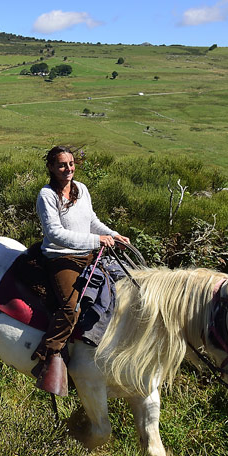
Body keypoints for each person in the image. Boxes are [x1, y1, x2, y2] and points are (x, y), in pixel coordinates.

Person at [32, 145, 129, 396]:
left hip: (87, 254)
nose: (68, 169)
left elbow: (91, 222)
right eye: (62, 165)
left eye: (71, 164)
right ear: (51, 168)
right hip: (60, 258)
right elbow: (55, 234)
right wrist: (96, 241)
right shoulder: (47, 195)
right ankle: (49, 354)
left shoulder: (81, 189)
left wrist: (112, 234)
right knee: (71, 307)